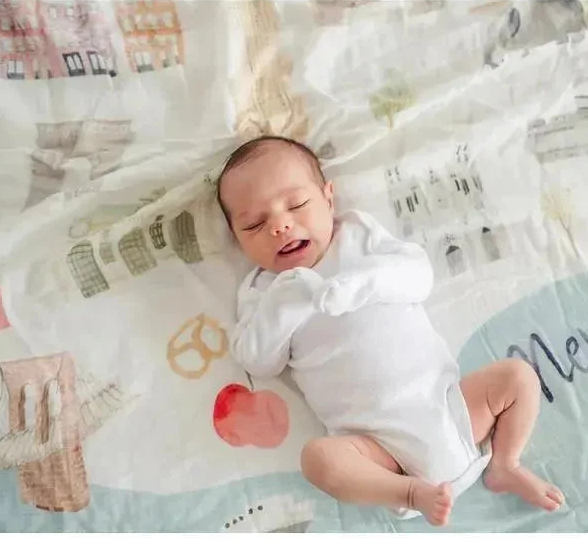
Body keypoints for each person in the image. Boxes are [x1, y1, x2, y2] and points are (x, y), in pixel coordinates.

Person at [218, 135, 564, 526]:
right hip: (378, 451)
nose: (280, 225)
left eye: (296, 204)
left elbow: (418, 276)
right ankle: (410, 492)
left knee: (518, 376)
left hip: (451, 410)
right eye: (254, 224)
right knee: (318, 459)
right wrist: (288, 299)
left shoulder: (356, 235)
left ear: (328, 198)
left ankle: (505, 463)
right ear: (237, 239)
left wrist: (358, 285)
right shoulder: (262, 292)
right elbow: (258, 361)